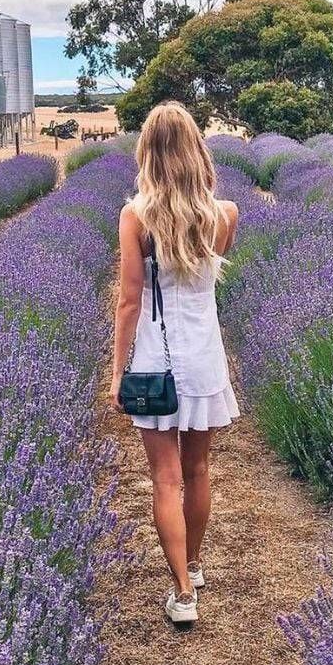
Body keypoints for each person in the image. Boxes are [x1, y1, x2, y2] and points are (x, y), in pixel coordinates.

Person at [110, 101, 239, 626]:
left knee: (165, 478)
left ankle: (183, 591)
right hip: (205, 357)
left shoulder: (136, 217)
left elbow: (129, 301)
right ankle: (196, 562)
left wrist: (117, 373)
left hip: (155, 363)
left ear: (148, 154)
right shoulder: (224, 216)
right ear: (195, 152)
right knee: (199, 469)